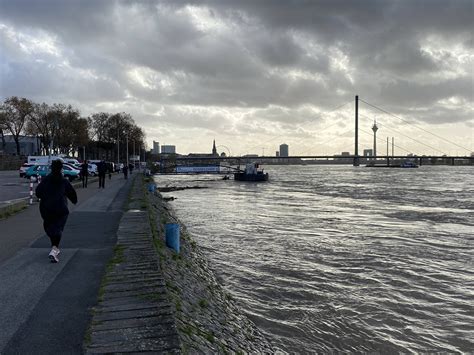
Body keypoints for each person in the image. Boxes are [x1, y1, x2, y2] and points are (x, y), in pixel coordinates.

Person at [35, 160, 77, 263]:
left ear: (51, 168)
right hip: (60, 209)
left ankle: (54, 248)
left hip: (46, 209)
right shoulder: (63, 181)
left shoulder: (46, 180)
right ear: (61, 168)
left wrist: (45, 197)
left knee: (49, 227)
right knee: (58, 228)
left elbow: (38, 192)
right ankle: (54, 249)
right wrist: (74, 200)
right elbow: (71, 193)